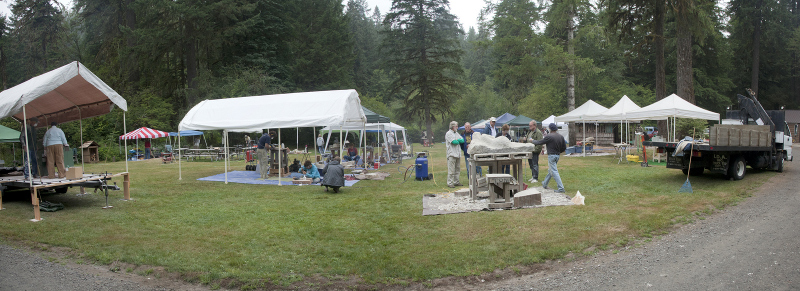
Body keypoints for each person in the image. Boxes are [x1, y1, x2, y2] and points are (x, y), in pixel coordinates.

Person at [531, 123, 567, 193]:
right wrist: (559, 151)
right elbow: (564, 148)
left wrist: (532, 141)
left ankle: (561, 188)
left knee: (554, 171)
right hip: (557, 155)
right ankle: (545, 184)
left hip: (551, 156)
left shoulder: (549, 136)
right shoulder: (561, 136)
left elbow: (540, 142)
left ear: (550, 129)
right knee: (551, 170)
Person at [445, 121, 464, 188]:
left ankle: (456, 181)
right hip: (451, 154)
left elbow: (462, 140)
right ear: (453, 126)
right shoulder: (448, 133)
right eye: (456, 126)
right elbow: (454, 142)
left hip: (457, 154)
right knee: (451, 170)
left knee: (457, 169)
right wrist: (457, 140)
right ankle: (450, 182)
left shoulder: (456, 133)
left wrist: (457, 140)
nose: (457, 127)